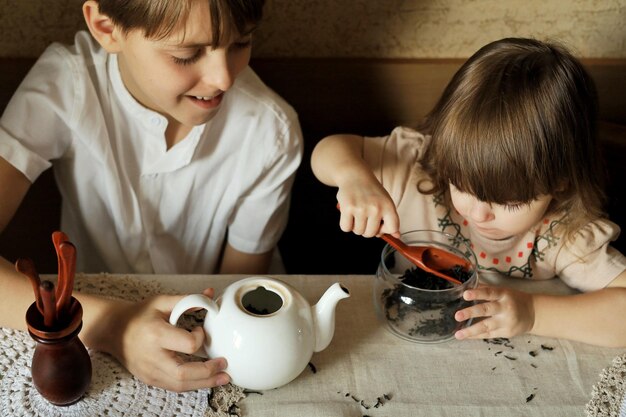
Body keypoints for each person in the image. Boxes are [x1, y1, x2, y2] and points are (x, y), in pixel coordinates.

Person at [0, 0, 303, 391]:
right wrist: (114, 325)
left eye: (241, 43)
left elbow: (240, 286)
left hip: (210, 328)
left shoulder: (269, 130)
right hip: (92, 319)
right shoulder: (69, 84)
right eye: (186, 54)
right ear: (106, 28)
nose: (224, 78)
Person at [311, 37, 626, 348]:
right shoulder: (416, 169)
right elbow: (327, 150)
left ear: (561, 181)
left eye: (510, 202)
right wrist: (355, 178)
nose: (477, 213)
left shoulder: (564, 235)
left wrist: (533, 314)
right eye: (460, 184)